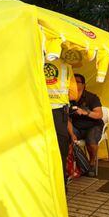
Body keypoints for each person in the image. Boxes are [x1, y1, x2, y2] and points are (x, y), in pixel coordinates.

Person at [44, 46, 77, 185]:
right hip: (58, 112)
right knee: (60, 147)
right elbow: (74, 94)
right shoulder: (66, 65)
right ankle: (60, 183)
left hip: (38, 109)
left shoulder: (35, 61)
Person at [68, 74, 104, 177]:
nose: (73, 84)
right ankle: (71, 166)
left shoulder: (92, 97)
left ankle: (91, 163)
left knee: (91, 141)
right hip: (76, 127)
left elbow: (99, 114)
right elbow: (66, 119)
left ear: (83, 85)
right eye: (72, 82)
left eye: (76, 82)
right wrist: (71, 134)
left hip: (93, 125)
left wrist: (86, 112)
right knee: (63, 137)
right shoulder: (67, 98)